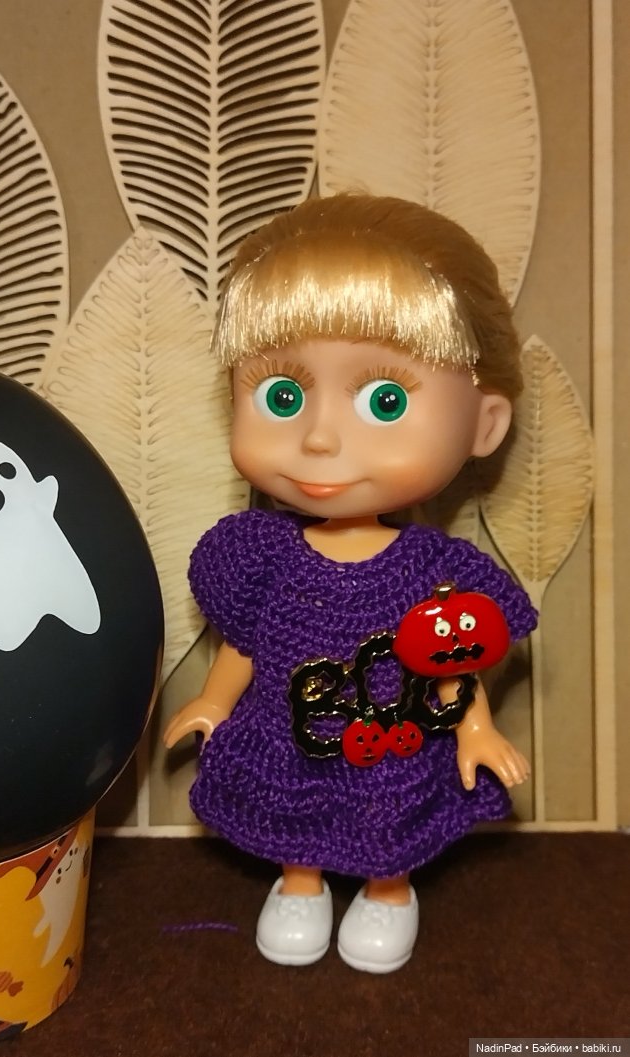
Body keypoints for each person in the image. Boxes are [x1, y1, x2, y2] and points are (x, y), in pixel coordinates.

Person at [163, 192, 538, 973]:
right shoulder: (262, 555)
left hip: (390, 740)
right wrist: (213, 700)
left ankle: (388, 889)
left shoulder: (434, 571)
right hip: (288, 732)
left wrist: (475, 728)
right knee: (287, 808)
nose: (320, 437)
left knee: (387, 817)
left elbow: (450, 657)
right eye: (282, 395)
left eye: (384, 400)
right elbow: (250, 640)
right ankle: (300, 881)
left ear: (484, 424)